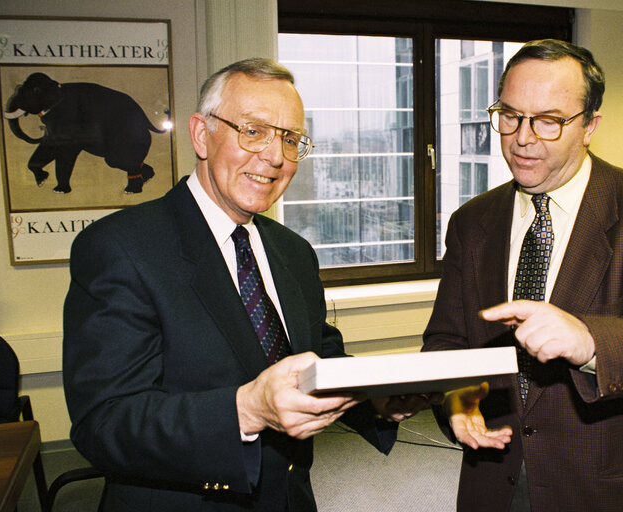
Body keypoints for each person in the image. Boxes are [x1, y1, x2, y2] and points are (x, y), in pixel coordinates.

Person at [63, 58, 432, 512]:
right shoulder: (120, 247)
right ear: (201, 134)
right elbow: (103, 422)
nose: (276, 157)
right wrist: (246, 410)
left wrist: (375, 399)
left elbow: (317, 359)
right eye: (254, 131)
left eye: (291, 138)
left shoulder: (293, 252)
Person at [422, 39, 623, 512]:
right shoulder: (472, 221)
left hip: (607, 486)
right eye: (510, 114)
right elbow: (446, 341)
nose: (522, 138)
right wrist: (458, 399)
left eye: (548, 121)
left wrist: (591, 341)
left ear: (589, 126)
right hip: (493, 477)